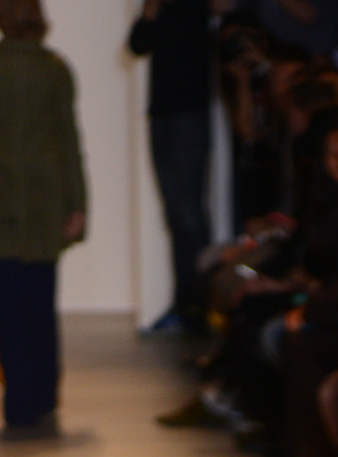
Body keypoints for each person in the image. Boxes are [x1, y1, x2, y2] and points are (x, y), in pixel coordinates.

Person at [0, 0, 88, 441]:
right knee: (41, 305)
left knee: (8, 309)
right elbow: (69, 141)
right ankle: (45, 395)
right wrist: (78, 204)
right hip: (46, 202)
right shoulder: (55, 69)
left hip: (0, 200)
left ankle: (18, 403)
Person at [129, 1, 225, 339]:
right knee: (176, 213)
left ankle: (201, 303)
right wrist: (150, 12)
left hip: (189, 112)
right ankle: (186, 304)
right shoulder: (158, 6)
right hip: (163, 112)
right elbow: (137, 44)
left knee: (189, 214)